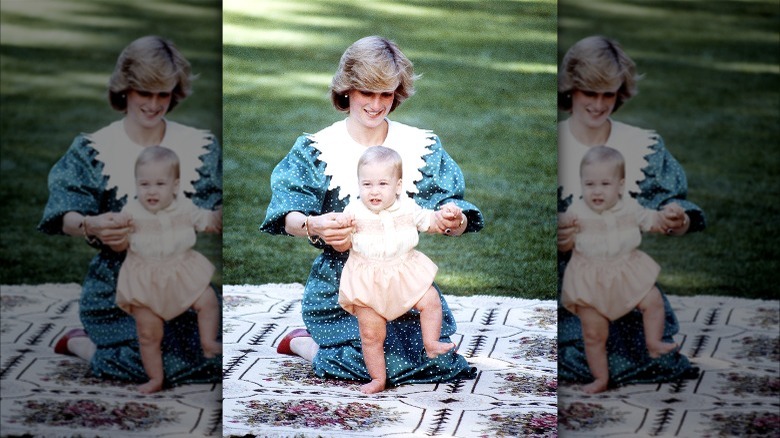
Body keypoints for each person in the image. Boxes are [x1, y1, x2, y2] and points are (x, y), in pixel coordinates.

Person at [261, 36, 483, 388]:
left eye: (386, 93)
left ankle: (343, 347)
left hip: (400, 279)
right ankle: (304, 342)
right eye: (367, 92)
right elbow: (286, 212)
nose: (377, 104)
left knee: (439, 363)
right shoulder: (316, 149)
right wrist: (311, 224)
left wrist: (454, 219)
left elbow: (451, 205)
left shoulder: (420, 146)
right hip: (343, 286)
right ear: (346, 89)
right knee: (369, 361)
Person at [39, 35, 222, 387]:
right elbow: (64, 212)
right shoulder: (91, 149)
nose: (153, 104)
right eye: (144, 93)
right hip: (119, 289)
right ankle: (82, 344)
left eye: (163, 94)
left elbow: (214, 205)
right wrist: (90, 224)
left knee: (215, 351)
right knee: (153, 362)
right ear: (125, 90)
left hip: (178, 278)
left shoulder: (199, 146)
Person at [557, 35, 705, 388]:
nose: (598, 104)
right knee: (583, 351)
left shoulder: (642, 147)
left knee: (651, 350)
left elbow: (674, 203)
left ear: (619, 94)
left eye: (607, 94)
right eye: (588, 93)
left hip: (622, 274)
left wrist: (677, 218)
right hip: (575, 281)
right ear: (570, 91)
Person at [338, 146, 460, 394]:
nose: (374, 191)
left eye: (382, 184)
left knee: (431, 299)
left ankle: (431, 342)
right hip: (367, 279)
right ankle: (377, 379)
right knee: (371, 333)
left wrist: (447, 215)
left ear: (398, 185)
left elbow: (430, 222)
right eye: (367, 184)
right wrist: (339, 232)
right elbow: (341, 242)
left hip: (404, 270)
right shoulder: (353, 211)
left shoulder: (408, 207)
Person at [560, 146, 682, 393]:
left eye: (605, 184)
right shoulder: (577, 212)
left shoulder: (630, 207)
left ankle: (654, 341)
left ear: (620, 184)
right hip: (589, 279)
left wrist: (669, 216)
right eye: (589, 184)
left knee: (653, 299)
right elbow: (567, 241)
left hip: (626, 271)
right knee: (594, 334)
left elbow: (653, 221)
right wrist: (563, 232)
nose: (597, 190)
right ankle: (600, 378)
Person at [111, 146, 222, 393]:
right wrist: (116, 233)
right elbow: (118, 241)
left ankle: (207, 341)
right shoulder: (131, 212)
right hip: (144, 279)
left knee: (208, 300)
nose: (151, 190)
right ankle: (155, 378)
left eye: (160, 184)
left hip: (180, 270)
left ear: (175, 185)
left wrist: (217, 217)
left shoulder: (184, 207)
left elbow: (206, 221)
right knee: (149, 333)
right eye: (144, 184)